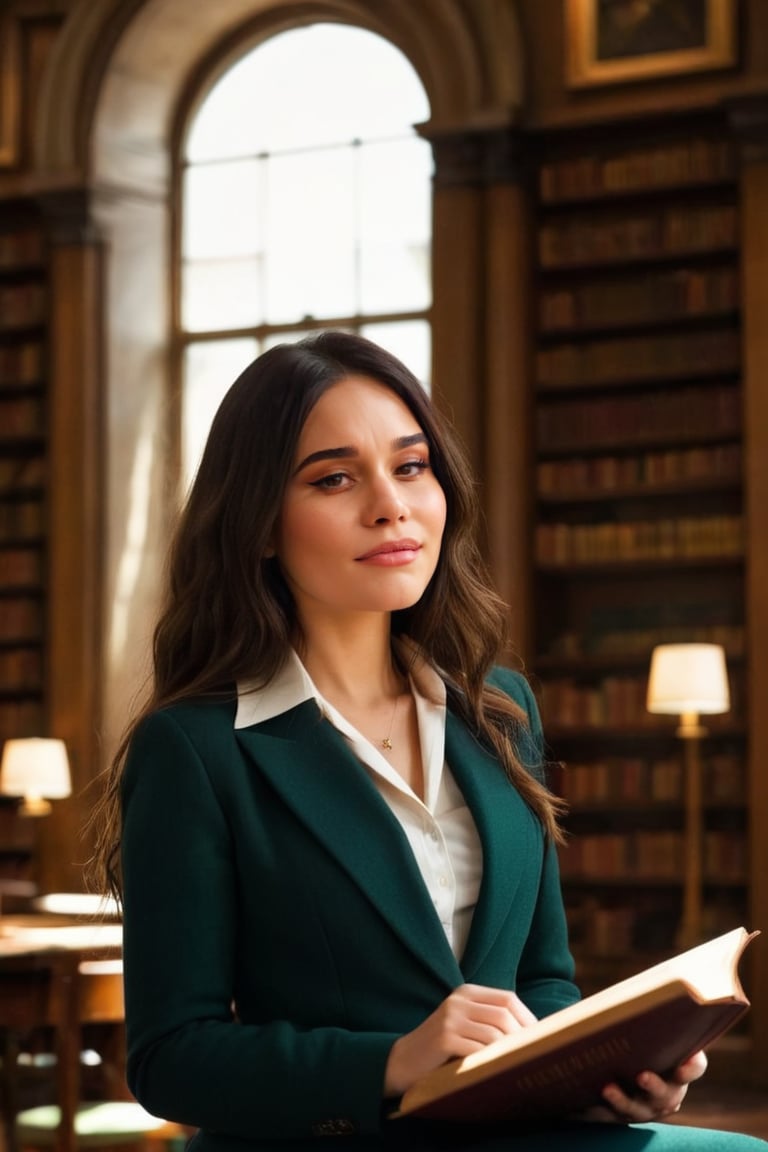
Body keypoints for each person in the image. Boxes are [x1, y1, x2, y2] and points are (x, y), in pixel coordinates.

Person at [88, 331, 766, 1152]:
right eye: (334, 478)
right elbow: (171, 1060)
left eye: (411, 467)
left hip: (511, 1131)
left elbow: (542, 978)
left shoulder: (500, 709)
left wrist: (604, 1075)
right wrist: (392, 1062)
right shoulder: (197, 748)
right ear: (260, 525)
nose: (391, 504)